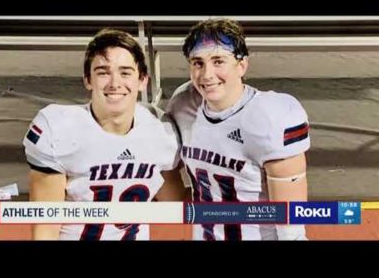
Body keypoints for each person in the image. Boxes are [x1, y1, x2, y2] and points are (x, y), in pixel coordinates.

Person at [23, 28, 185, 240]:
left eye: (125, 72)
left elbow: (176, 204)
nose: (115, 83)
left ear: (142, 80)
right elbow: (46, 228)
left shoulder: (159, 129)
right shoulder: (59, 129)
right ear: (87, 80)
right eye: (103, 72)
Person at [166, 18, 310, 240]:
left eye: (218, 61)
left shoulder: (270, 117)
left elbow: (291, 225)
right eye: (198, 62)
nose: (207, 75)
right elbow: (174, 191)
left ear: (241, 65)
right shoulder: (184, 105)